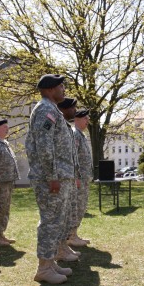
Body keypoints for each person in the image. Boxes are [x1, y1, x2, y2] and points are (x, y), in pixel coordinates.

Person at [25, 74, 76, 284]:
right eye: (60, 86)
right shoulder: (45, 110)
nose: (63, 89)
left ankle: (51, 262)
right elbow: (44, 147)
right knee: (50, 221)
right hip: (51, 177)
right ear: (48, 89)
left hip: (58, 175)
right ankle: (43, 268)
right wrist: (52, 176)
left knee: (56, 220)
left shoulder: (51, 109)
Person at [56, 97, 82, 257]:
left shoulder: (66, 126)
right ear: (64, 109)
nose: (75, 111)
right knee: (57, 217)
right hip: (59, 177)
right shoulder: (57, 123)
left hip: (68, 176)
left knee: (65, 215)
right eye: (73, 108)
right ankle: (57, 252)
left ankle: (63, 246)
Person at [0, 119, 20, 247]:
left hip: (7, 182)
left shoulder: (4, 143)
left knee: (5, 209)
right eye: (4, 127)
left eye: (7, 127)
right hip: (0, 183)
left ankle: (1, 234)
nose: (7, 129)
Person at [68, 108, 92, 246]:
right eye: (85, 119)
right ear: (77, 119)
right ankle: (71, 236)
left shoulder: (81, 135)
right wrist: (76, 176)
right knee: (76, 206)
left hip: (83, 178)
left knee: (81, 206)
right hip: (78, 179)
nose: (87, 121)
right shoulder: (75, 134)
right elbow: (73, 157)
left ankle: (74, 234)